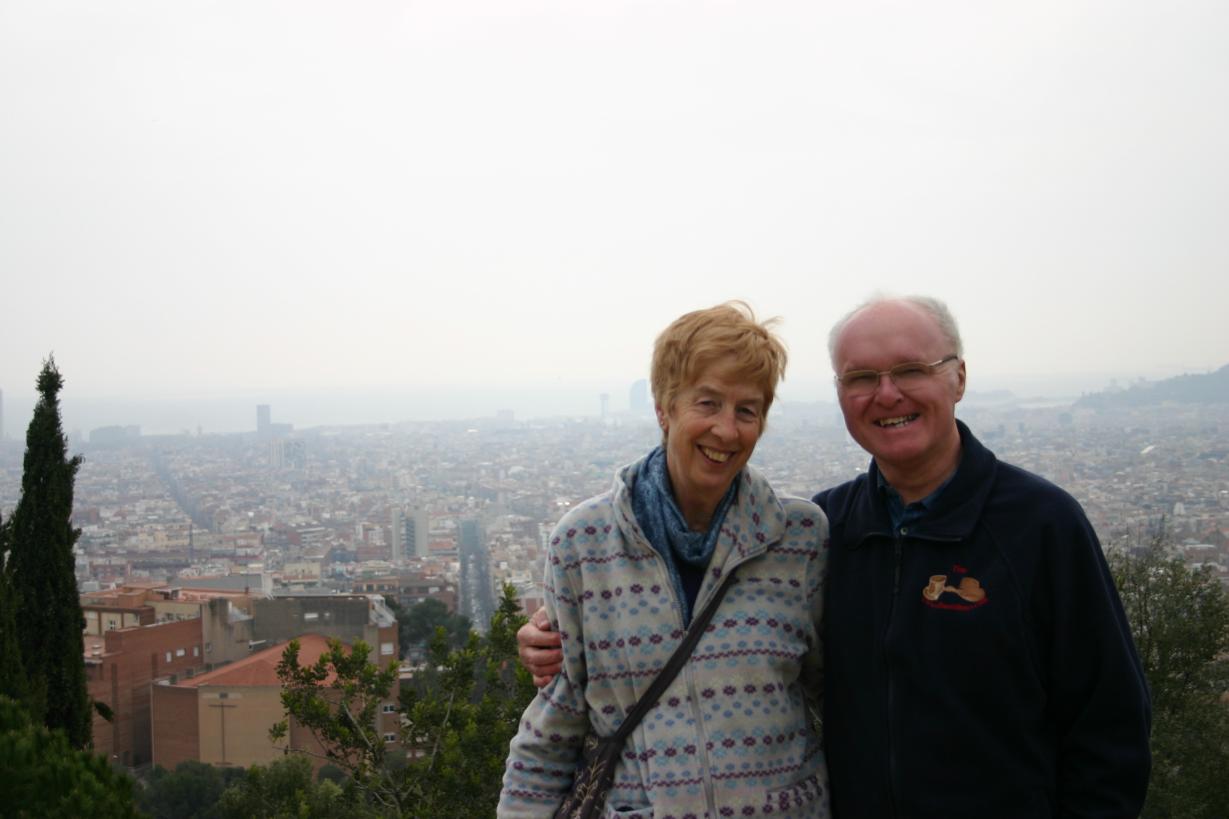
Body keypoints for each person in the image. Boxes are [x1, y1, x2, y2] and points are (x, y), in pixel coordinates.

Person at [519, 295, 1152, 818]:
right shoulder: (823, 529)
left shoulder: (1039, 525)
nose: (887, 394)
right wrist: (547, 641)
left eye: (910, 370)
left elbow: (1109, 725)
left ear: (957, 376)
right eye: (860, 378)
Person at [498, 302, 831, 818]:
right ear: (663, 407)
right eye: (708, 403)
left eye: (747, 410)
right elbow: (554, 726)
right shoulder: (585, 545)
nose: (726, 430)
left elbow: (839, 692)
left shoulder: (799, 538)